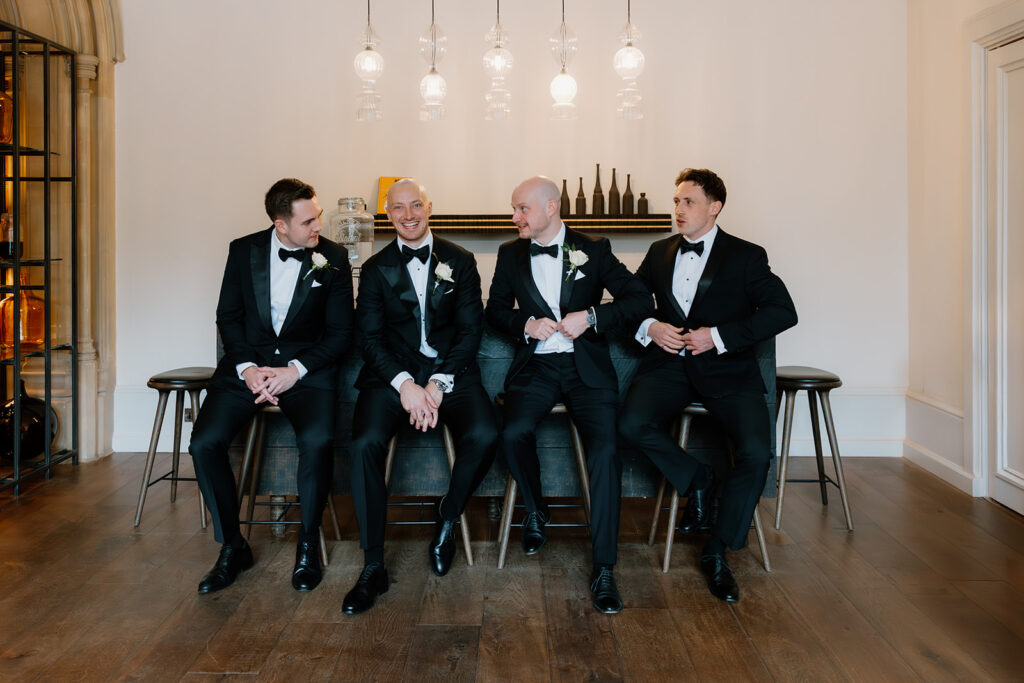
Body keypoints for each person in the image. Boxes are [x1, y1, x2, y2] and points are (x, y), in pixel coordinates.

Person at [618, 168, 797, 603]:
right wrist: (650, 324)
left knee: (757, 453)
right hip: (669, 368)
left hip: (728, 371)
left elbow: (782, 312)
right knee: (630, 425)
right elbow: (633, 300)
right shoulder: (659, 252)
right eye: (676, 201)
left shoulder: (747, 256)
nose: (678, 209)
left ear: (714, 207)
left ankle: (717, 550)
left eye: (688, 202)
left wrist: (717, 336)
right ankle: (696, 478)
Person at [485, 176, 653, 614]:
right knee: (512, 432)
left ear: (551, 207)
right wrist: (525, 324)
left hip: (587, 370)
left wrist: (593, 316)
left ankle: (604, 567)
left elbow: (639, 300)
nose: (515, 217)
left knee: (605, 450)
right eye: (514, 209)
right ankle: (537, 509)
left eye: (522, 208)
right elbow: (495, 310)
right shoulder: (509, 253)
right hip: (537, 366)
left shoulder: (593, 248)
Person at [188, 178, 353, 595]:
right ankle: (232, 545)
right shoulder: (242, 251)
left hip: (306, 371)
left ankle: (306, 546)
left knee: (317, 440)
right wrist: (246, 368)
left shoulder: (332, 257)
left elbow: (339, 333)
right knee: (204, 443)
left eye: (317, 217)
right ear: (281, 225)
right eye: (309, 221)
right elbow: (228, 316)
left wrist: (294, 370)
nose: (319, 227)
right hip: (247, 368)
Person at [342, 179, 498, 616]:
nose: (408, 215)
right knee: (364, 444)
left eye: (415, 206)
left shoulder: (460, 261)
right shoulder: (374, 269)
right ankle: (373, 565)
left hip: (452, 373)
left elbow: (470, 331)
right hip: (392, 378)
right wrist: (406, 385)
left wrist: (439, 382)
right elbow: (369, 339)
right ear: (387, 214)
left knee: (486, 433)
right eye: (398, 209)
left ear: (430, 207)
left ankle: (448, 517)